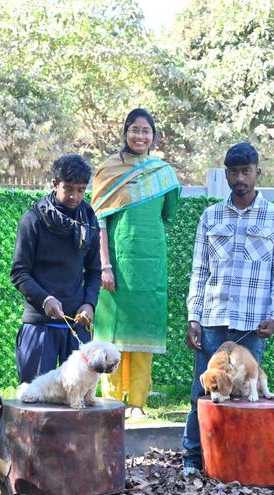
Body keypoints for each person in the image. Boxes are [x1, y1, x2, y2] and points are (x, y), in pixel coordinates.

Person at [182, 143, 274, 475]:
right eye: (233, 172)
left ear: (258, 172)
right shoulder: (210, 216)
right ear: (226, 173)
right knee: (203, 393)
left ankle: (238, 463)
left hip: (251, 326)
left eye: (246, 171)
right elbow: (199, 271)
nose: (240, 178)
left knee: (246, 396)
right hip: (213, 321)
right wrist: (194, 317)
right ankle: (193, 459)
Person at [91, 108, 182, 419]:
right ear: (125, 132)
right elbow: (99, 222)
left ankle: (137, 404)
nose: (140, 136)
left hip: (150, 266)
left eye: (146, 131)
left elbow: (167, 215)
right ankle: (111, 401)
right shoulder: (108, 171)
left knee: (145, 335)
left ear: (153, 136)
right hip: (115, 264)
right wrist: (105, 266)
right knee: (111, 336)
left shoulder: (164, 174)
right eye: (135, 129)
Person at [11, 154, 102, 383]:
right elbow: (19, 272)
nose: (74, 196)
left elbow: (93, 271)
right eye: (68, 188)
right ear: (54, 184)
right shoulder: (32, 220)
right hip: (40, 325)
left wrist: (89, 304)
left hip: (77, 325)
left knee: (78, 399)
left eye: (81, 190)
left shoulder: (89, 220)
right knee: (35, 404)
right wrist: (45, 300)